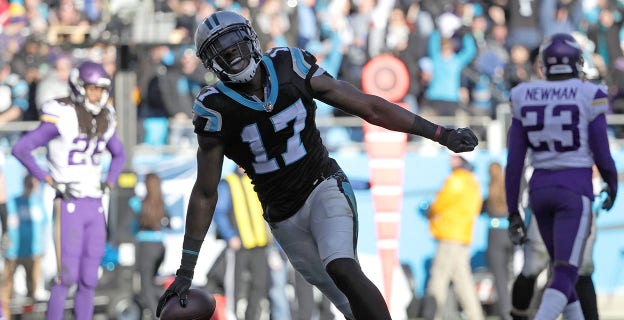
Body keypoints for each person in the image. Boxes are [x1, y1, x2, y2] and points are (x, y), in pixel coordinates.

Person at [155, 10, 478, 320]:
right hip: (283, 216)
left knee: (342, 267)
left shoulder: (289, 65)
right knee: (346, 303)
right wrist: (186, 270)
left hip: (322, 184)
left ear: (251, 40)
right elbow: (206, 192)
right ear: (210, 61)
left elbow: (369, 107)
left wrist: (439, 132)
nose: (232, 55)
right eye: (221, 51)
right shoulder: (215, 108)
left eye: (235, 43)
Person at [505, 33, 618, 320]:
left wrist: (512, 210)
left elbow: (514, 163)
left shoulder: (523, 95)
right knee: (570, 270)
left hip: (539, 189)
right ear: (577, 62)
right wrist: (612, 181)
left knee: (558, 268)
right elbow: (601, 152)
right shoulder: (588, 93)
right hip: (574, 189)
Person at [11, 60, 126, 320]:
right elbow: (22, 149)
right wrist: (48, 179)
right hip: (69, 202)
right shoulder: (62, 113)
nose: (96, 94)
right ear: (78, 86)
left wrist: (109, 181)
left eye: (100, 89)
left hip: (94, 204)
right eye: (91, 88)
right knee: (67, 276)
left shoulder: (105, 116)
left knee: (89, 278)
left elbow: (120, 155)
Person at [510, 165, 606, 320]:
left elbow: (516, 160)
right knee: (575, 269)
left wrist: (513, 210)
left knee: (571, 271)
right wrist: (611, 183)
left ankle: (521, 316)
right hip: (573, 195)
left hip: (546, 193)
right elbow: (601, 157)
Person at [422, 154, 484, 320]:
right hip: (462, 235)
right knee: (463, 281)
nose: (451, 160)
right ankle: (476, 316)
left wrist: (430, 212)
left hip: (450, 235)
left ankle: (431, 315)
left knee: (439, 277)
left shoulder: (456, 180)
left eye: (456, 157)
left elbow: (439, 204)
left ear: (464, 160)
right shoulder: (473, 181)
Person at [213, 166, 271, 320]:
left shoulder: (255, 180)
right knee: (235, 286)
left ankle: (250, 317)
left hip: (259, 243)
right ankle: (231, 316)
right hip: (239, 245)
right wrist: (230, 236)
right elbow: (219, 212)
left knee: (260, 284)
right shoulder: (228, 183)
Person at [1, 175, 49, 320]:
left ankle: (29, 317)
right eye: (30, 183)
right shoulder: (13, 202)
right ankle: (5, 316)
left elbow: (44, 226)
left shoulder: (38, 203)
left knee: (33, 288)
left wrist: (43, 249)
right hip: (13, 252)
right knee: (5, 288)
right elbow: (7, 224)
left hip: (33, 253)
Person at [129, 173, 170, 318]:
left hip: (145, 248)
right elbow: (169, 223)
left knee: (145, 289)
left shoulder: (139, 204)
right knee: (152, 284)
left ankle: (158, 315)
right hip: (160, 247)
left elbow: (131, 226)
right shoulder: (163, 204)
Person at [482, 161, 513, 320]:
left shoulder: (491, 192)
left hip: (495, 236)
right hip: (510, 234)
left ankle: (506, 312)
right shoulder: (510, 190)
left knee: (500, 277)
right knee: (511, 274)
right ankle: (516, 308)